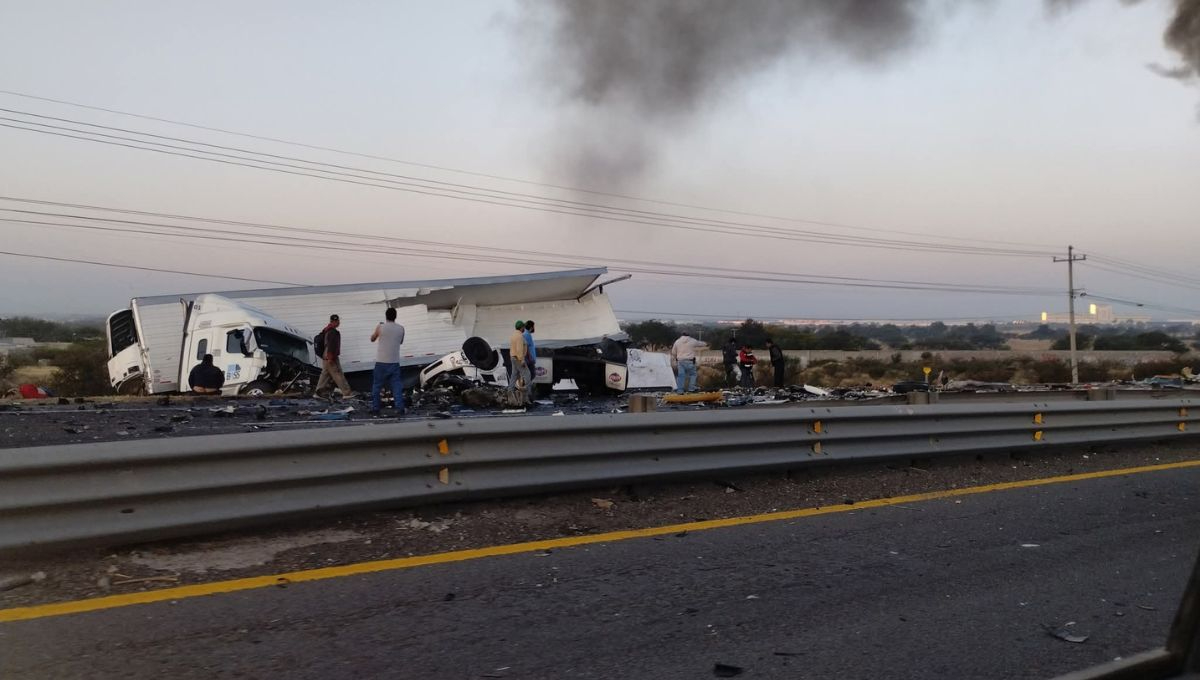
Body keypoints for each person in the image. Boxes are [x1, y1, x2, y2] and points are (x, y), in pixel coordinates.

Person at [369, 307, 406, 416]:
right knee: (396, 386)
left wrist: (378, 330)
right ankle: (400, 409)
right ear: (395, 316)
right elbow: (401, 342)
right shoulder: (401, 328)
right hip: (394, 362)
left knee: (377, 386)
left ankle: (376, 409)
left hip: (381, 362)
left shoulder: (381, 327)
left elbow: (372, 339)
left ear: (386, 316)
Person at [314, 313, 356, 400]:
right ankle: (347, 393)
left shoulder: (326, 330)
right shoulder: (333, 332)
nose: (339, 322)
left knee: (324, 375)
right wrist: (330, 357)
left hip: (325, 356)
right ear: (334, 321)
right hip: (330, 356)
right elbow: (331, 345)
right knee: (338, 374)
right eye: (338, 321)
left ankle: (318, 392)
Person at [508, 320, 531, 398]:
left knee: (514, 375)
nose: (524, 328)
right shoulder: (519, 336)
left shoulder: (513, 335)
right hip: (518, 358)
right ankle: (527, 394)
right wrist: (522, 360)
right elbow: (519, 349)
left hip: (513, 357)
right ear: (521, 328)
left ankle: (510, 392)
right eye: (523, 327)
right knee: (527, 374)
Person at [523, 320, 538, 399]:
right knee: (531, 375)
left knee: (530, 375)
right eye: (534, 326)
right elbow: (527, 348)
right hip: (529, 359)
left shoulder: (527, 334)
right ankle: (526, 393)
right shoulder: (526, 335)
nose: (534, 328)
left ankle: (527, 393)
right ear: (531, 327)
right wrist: (530, 358)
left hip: (529, 359)